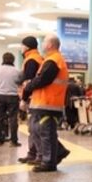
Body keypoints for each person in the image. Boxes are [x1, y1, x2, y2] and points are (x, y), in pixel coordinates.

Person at [22, 34, 70, 172]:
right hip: (44, 102)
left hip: (49, 103)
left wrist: (28, 86)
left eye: (43, 42)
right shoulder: (50, 60)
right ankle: (56, 153)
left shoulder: (54, 60)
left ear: (50, 45)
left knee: (46, 133)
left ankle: (49, 162)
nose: (41, 44)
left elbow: (43, 79)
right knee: (39, 131)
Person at [17, 36, 45, 164]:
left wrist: (23, 99)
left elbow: (29, 82)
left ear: (27, 47)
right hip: (37, 97)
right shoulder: (37, 58)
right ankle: (33, 153)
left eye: (22, 45)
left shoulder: (31, 60)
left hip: (33, 98)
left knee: (34, 128)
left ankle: (37, 154)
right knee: (33, 127)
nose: (20, 48)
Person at [0, 52, 22, 147]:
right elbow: (19, 82)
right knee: (13, 119)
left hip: (0, 95)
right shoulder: (16, 71)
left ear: (3, 59)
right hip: (13, 96)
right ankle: (13, 141)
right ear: (13, 60)